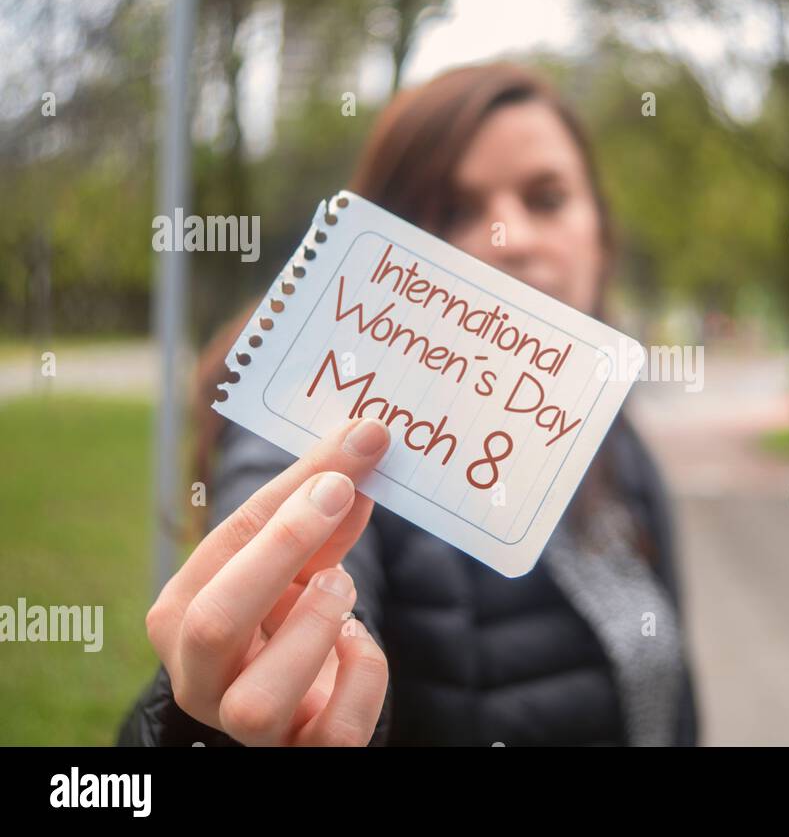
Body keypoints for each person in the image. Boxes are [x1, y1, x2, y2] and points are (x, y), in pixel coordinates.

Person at [117, 63, 699, 746]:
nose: (511, 238)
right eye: (455, 210)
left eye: (546, 199)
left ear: (600, 233)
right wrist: (223, 711)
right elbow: (288, 632)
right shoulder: (323, 430)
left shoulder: (617, 442)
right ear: (388, 253)